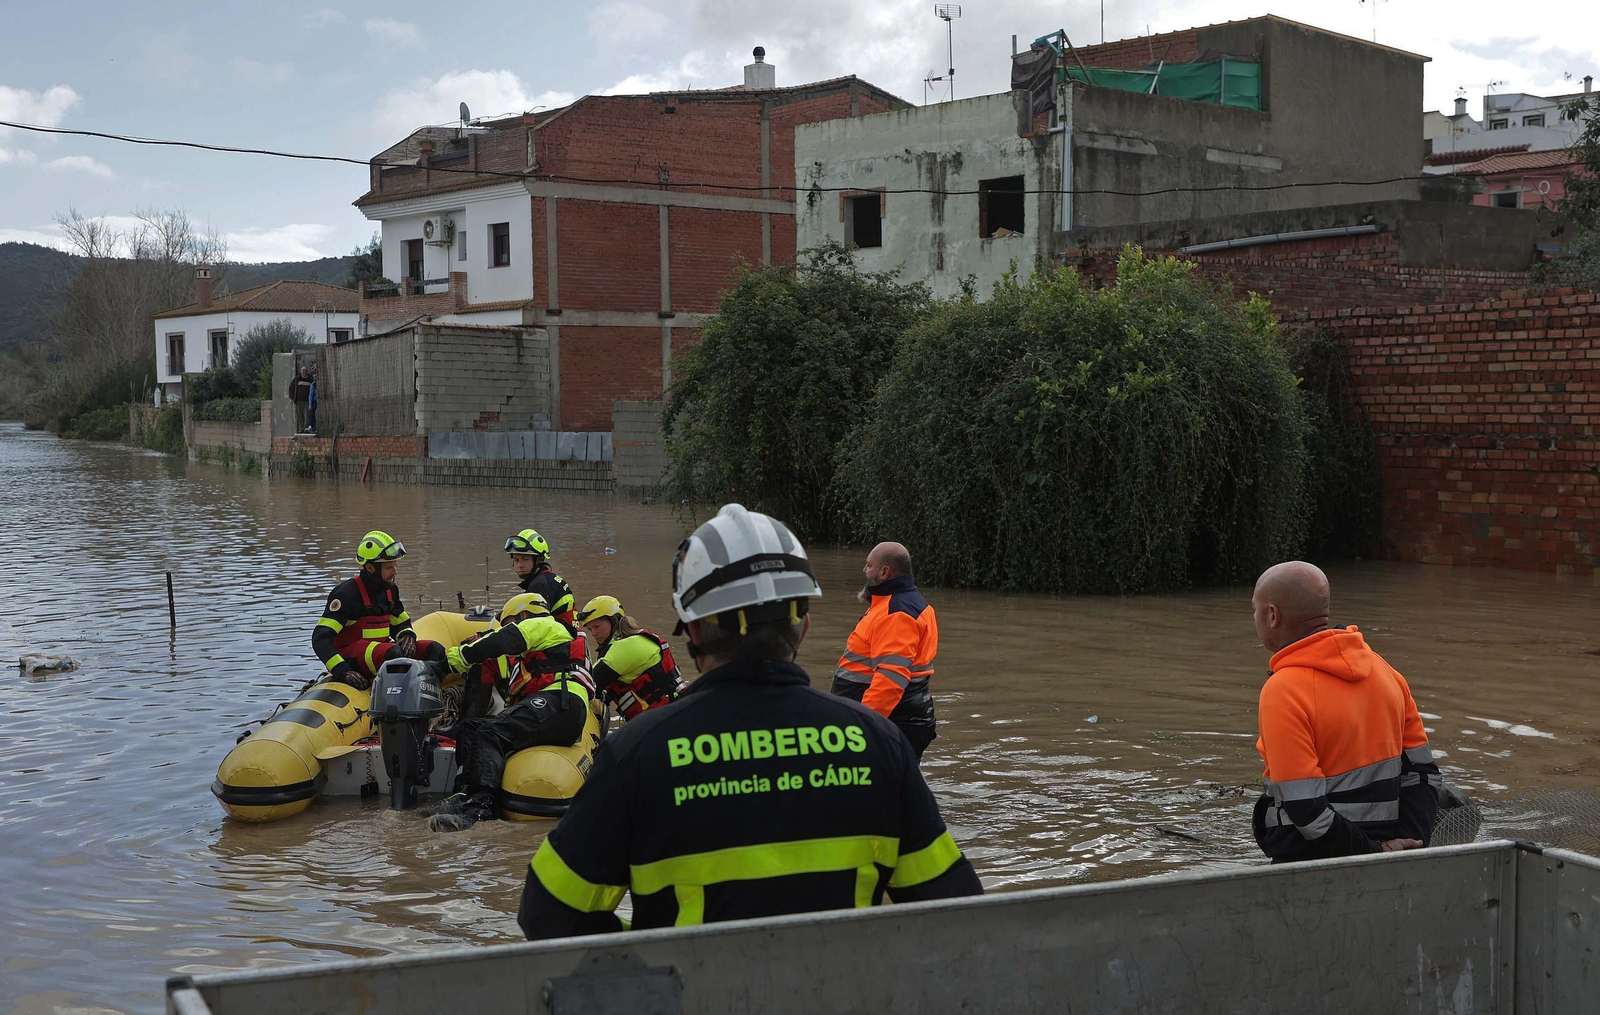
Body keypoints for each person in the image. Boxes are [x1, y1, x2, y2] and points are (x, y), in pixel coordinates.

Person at [518, 504, 982, 939]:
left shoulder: (638, 752)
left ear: (693, 631)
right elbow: (957, 915)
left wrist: (652, 961)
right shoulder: (881, 746)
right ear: (803, 625)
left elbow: (547, 910)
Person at [1251, 560, 1443, 863]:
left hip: (1309, 859)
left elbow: (1305, 808)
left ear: (1272, 615)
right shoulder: (1386, 672)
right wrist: (1407, 846)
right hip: (1391, 849)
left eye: (1255, 610)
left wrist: (1371, 853)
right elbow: (1424, 774)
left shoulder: (1283, 690)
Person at [424, 592, 594, 832]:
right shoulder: (546, 644)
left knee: (488, 733)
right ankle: (464, 792)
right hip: (555, 706)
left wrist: (454, 661)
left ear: (523, 615)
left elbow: (506, 639)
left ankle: (481, 808)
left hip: (561, 703)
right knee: (471, 728)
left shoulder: (545, 624)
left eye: (509, 622)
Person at [831, 542, 938, 758]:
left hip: (891, 724)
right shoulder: (899, 604)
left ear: (884, 572)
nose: (864, 570)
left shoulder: (896, 613)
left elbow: (890, 681)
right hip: (900, 720)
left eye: (869, 565)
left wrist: (860, 728)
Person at [311, 530, 444, 691]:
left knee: (434, 649)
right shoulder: (347, 594)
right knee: (394, 654)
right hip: (351, 657)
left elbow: (400, 622)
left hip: (383, 652)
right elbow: (321, 639)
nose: (395, 572)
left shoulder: (390, 590)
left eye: (395, 566)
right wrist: (343, 671)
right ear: (370, 567)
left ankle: (429, 695)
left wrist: (407, 635)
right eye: (389, 567)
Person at [575, 595, 685, 720]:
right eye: (590, 629)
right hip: (673, 712)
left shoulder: (625, 647)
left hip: (666, 718)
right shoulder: (634, 640)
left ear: (614, 620)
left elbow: (588, 682)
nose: (593, 633)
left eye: (597, 626)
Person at [505, 528, 576, 632]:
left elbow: (532, 626)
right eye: (516, 560)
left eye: (525, 559)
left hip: (557, 642)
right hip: (564, 636)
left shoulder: (540, 585)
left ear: (539, 560)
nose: (520, 565)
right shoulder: (548, 579)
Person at [288, 364, 313, 434]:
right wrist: (292, 397)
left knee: (307, 415)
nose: (304, 372)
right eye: (303, 370)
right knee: (300, 416)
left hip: (308, 401)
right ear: (300, 371)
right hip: (299, 401)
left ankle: (306, 428)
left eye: (305, 370)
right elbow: (291, 388)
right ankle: (301, 429)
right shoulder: (296, 379)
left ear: (307, 371)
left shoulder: (310, 378)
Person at [306, 365, 317, 433]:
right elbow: (311, 394)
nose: (315, 378)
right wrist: (310, 404)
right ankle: (311, 426)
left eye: (316, 376)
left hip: (321, 401)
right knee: (311, 412)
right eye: (314, 377)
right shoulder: (313, 385)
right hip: (315, 401)